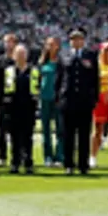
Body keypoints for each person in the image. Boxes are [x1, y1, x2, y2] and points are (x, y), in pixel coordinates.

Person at [55, 27, 99, 175]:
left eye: (79, 38)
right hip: (68, 100)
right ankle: (68, 164)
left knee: (84, 134)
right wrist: (58, 97)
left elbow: (95, 79)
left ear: (84, 40)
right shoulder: (64, 55)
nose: (76, 41)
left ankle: (83, 165)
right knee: (68, 135)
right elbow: (59, 78)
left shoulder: (91, 55)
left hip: (84, 101)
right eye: (73, 38)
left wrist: (94, 99)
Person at [2, 43, 39, 174]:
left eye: (23, 54)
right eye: (18, 54)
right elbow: (4, 90)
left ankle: (28, 163)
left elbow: (37, 89)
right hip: (13, 109)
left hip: (28, 108)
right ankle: (15, 163)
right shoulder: (9, 71)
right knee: (14, 138)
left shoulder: (34, 70)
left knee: (28, 137)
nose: (20, 56)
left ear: (27, 55)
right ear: (13, 56)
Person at [37, 36, 65, 168]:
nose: (51, 47)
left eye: (53, 44)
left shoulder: (61, 63)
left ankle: (59, 156)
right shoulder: (42, 62)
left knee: (60, 129)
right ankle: (47, 156)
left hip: (58, 99)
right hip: (44, 99)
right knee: (46, 130)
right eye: (49, 44)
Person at [0, 33, 18, 168]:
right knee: (2, 131)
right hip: (3, 100)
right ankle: (1, 156)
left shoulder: (19, 60)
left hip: (18, 101)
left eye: (11, 42)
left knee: (17, 131)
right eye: (6, 42)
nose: (8, 45)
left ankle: (17, 155)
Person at [91, 41, 108, 168]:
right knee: (98, 130)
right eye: (106, 50)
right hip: (100, 100)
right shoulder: (97, 66)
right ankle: (93, 157)